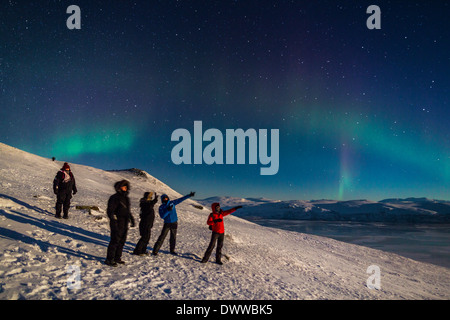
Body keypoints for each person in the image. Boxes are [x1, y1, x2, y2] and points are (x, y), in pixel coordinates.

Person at [152, 191, 195, 256]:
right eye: (164, 198)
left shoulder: (172, 203)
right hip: (167, 223)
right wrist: (168, 210)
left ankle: (172, 250)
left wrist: (189, 195)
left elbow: (181, 199)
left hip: (174, 223)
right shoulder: (161, 207)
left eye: (166, 198)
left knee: (173, 237)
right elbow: (162, 216)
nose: (165, 199)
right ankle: (155, 251)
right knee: (162, 237)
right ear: (162, 199)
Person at [105, 180, 135, 267]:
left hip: (125, 222)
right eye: (123, 186)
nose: (124, 188)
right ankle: (109, 259)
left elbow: (127, 211)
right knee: (115, 240)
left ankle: (117, 257)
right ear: (118, 188)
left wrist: (131, 219)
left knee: (122, 241)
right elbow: (110, 210)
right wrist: (113, 220)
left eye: (126, 187)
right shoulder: (114, 197)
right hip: (117, 222)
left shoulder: (126, 198)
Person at [133, 192, 158, 256]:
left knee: (147, 237)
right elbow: (149, 206)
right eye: (150, 197)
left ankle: (143, 250)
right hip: (145, 223)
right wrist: (154, 201)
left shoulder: (147, 203)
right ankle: (137, 250)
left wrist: (154, 200)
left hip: (148, 223)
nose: (151, 198)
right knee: (144, 237)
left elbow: (150, 205)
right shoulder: (145, 203)